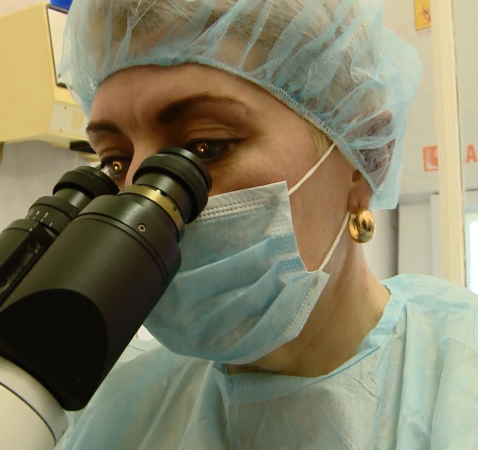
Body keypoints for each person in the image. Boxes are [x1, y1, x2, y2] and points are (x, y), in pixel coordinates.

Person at [57, 0, 478, 448]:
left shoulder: (458, 383)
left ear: (363, 159)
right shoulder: (117, 411)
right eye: (115, 162)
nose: (141, 204)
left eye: (204, 147)